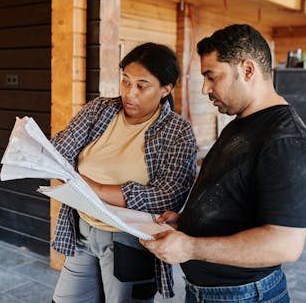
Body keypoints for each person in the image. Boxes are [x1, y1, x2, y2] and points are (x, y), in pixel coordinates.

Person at [140, 24, 306, 303]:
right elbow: (233, 195)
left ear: (247, 70)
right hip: (208, 291)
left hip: (245, 296)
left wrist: (191, 247)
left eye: (212, 77)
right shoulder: (241, 123)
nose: (205, 89)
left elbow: (284, 245)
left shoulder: (287, 142)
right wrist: (187, 223)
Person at [51, 42, 198, 302]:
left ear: (166, 89)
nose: (130, 93)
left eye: (142, 86)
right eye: (126, 82)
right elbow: (59, 151)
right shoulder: (100, 110)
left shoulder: (177, 131)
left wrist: (91, 188)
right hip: (82, 229)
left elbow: (168, 195)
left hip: (130, 241)